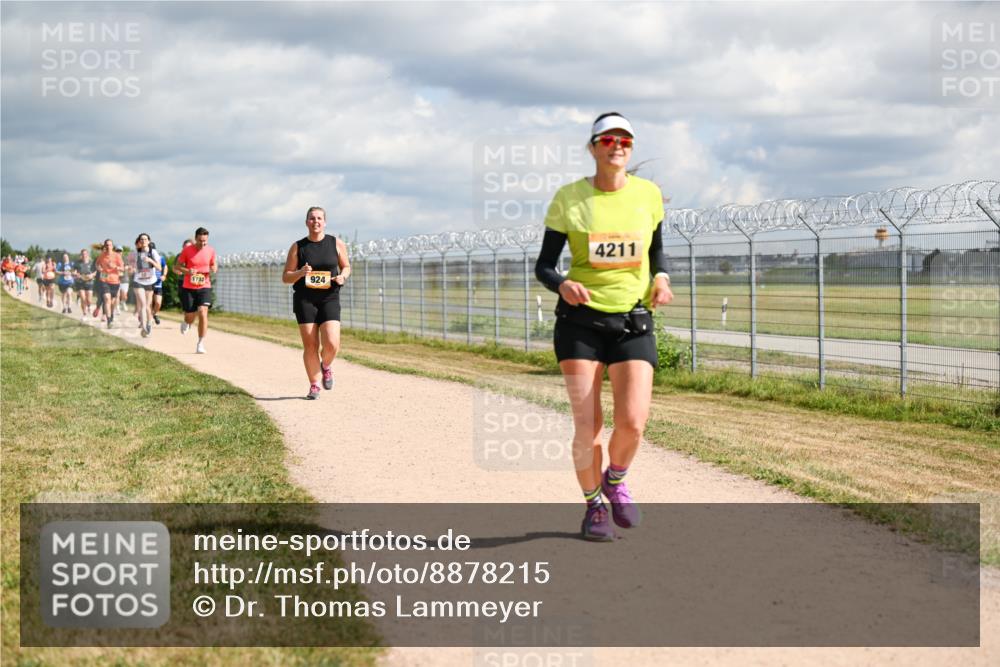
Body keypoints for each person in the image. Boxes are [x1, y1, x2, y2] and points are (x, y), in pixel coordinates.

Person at [534, 112, 673, 542]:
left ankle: (615, 478)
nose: (618, 146)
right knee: (588, 424)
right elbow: (543, 266)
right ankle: (594, 505)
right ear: (593, 147)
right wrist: (563, 284)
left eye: (625, 140)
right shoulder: (569, 198)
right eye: (609, 139)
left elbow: (657, 251)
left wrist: (662, 278)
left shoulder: (649, 195)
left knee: (633, 422)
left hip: (632, 319)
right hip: (581, 323)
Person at [281, 206, 351, 400]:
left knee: (332, 343)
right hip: (305, 299)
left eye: (319, 218)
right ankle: (314, 385)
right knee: (311, 345)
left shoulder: (336, 243)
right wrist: (300, 273)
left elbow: (346, 267)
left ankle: (326, 366)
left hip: (329, 297)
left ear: (325, 222)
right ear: (306, 223)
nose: (316, 221)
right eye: (312, 218)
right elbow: (286, 277)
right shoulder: (298, 247)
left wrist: (343, 277)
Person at [174, 228, 217, 354]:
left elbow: (214, 264)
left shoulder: (211, 250)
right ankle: (187, 322)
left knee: (203, 312)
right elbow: (177, 266)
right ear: (195, 238)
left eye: (205, 241)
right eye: (200, 241)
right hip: (189, 287)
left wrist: (213, 268)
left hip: (205, 286)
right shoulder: (187, 250)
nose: (203, 243)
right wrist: (188, 271)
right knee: (190, 316)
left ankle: (200, 343)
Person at [129, 233, 161, 337]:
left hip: (150, 281)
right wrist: (131, 269)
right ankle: (143, 328)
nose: (143, 241)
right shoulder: (135, 253)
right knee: (142, 305)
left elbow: (159, 267)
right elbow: (131, 267)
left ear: (149, 241)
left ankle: (148, 323)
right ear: (139, 241)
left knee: (148, 306)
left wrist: (150, 260)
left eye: (145, 239)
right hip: (138, 281)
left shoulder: (154, 252)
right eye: (141, 239)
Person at [95, 239, 124, 328]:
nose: (108, 247)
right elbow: (97, 264)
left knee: (112, 302)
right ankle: (108, 320)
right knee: (107, 299)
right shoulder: (101, 255)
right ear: (105, 246)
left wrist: (115, 267)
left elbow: (122, 268)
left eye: (110, 245)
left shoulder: (117, 256)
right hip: (104, 280)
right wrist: (98, 268)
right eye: (106, 245)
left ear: (112, 246)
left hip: (115, 281)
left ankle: (111, 316)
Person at [74, 248, 96, 320]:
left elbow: (96, 271)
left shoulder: (92, 262)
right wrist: (75, 274)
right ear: (81, 255)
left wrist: (92, 275)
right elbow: (74, 271)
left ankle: (89, 306)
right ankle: (84, 314)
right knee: (83, 299)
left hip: (89, 282)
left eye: (85, 254)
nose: (84, 255)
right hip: (80, 282)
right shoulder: (77, 263)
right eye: (82, 254)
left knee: (89, 300)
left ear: (87, 254)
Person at [149, 241, 167, 325]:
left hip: (158, 283)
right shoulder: (144, 258)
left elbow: (165, 267)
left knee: (158, 303)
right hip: (148, 283)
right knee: (147, 303)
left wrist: (164, 275)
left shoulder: (160, 258)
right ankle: (146, 319)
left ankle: (154, 314)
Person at [116, 246, 130, 315]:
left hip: (124, 279)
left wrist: (119, 269)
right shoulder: (113, 259)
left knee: (124, 295)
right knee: (117, 294)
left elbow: (127, 267)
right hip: (115, 279)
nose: (119, 252)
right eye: (117, 251)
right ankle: (118, 308)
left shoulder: (125, 259)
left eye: (120, 251)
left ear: (122, 251)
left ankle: (123, 302)